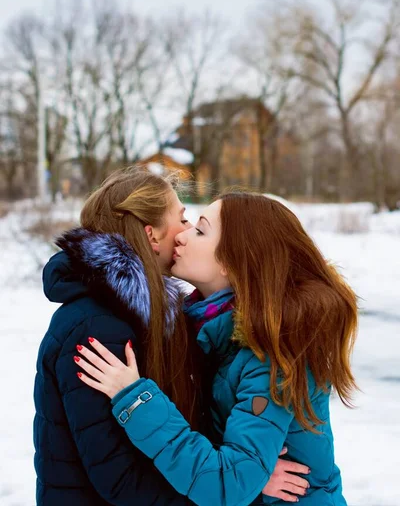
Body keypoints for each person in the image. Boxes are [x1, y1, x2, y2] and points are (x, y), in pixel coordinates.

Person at [34, 168, 308, 506]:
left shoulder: (150, 315)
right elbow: (122, 481)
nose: (186, 232)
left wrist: (247, 472)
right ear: (152, 235)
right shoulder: (98, 329)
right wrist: (240, 488)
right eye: (182, 218)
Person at [73, 193, 358, 506]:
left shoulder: (272, 355)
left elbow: (230, 484)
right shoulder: (212, 332)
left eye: (200, 230)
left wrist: (137, 400)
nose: (182, 235)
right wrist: (256, 474)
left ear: (232, 261)